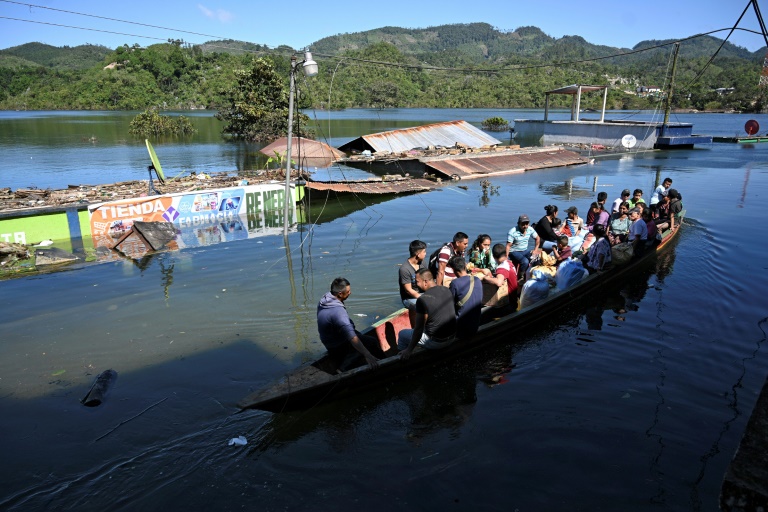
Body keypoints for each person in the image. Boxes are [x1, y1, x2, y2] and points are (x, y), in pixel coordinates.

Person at [317, 277, 387, 371]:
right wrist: (367, 354)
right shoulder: (338, 312)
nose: (350, 293)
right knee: (371, 342)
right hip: (336, 345)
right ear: (340, 294)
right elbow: (352, 337)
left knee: (360, 336)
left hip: (329, 338)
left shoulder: (326, 298)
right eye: (348, 291)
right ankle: (384, 362)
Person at [398, 269, 458, 360]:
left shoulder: (422, 300)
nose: (416, 284)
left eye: (417, 281)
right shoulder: (446, 289)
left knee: (402, 334)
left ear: (425, 282)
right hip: (452, 337)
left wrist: (409, 350)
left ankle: (402, 359)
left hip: (437, 342)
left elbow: (418, 329)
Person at [447, 256, 484, 340]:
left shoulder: (455, 283)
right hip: (476, 324)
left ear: (453, 270)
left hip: (461, 328)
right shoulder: (477, 280)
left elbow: (449, 304)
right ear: (465, 265)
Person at [399, 239, 427, 327]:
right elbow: (408, 290)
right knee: (425, 307)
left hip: (423, 294)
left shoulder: (423, 263)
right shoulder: (404, 269)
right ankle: (421, 330)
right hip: (409, 298)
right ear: (418, 254)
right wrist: (422, 298)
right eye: (424, 252)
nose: (425, 254)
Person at [506, 214, 540, 283]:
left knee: (536, 259)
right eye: (523, 224)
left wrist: (535, 250)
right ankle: (520, 277)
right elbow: (508, 246)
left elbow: (537, 238)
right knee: (525, 261)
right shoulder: (513, 231)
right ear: (518, 224)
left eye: (526, 224)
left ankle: (532, 274)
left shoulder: (530, 229)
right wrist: (506, 258)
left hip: (525, 250)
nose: (525, 226)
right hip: (514, 251)